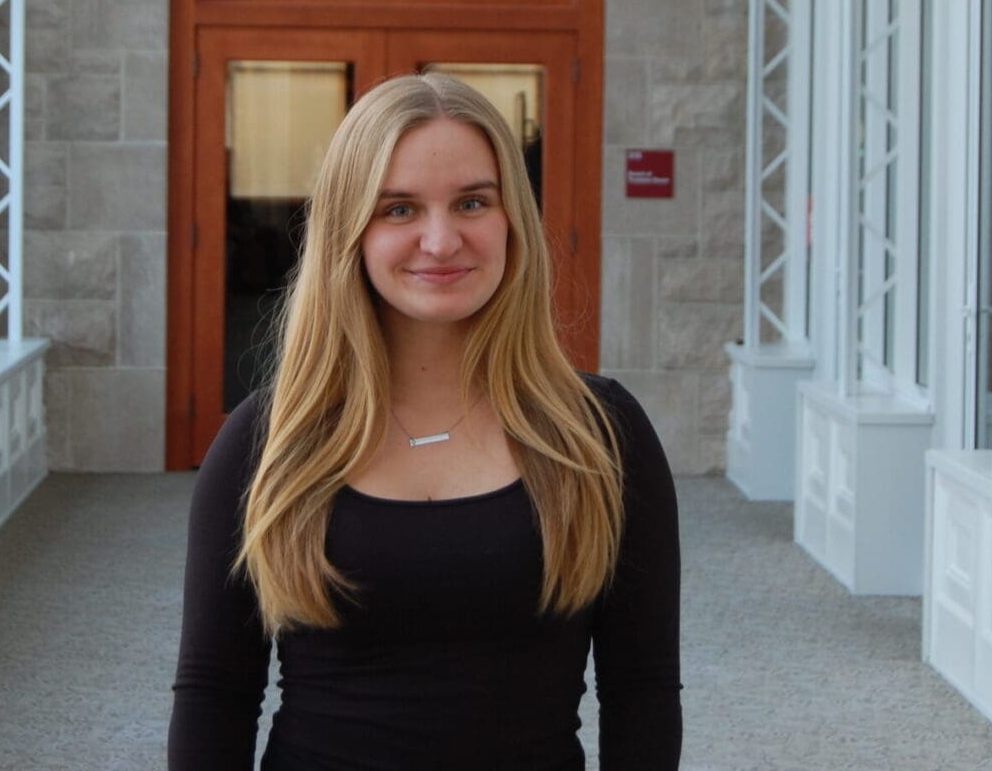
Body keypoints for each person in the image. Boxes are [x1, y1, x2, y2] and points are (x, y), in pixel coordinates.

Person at [168, 72, 682, 770]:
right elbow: (216, 695)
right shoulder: (269, 441)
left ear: (511, 220)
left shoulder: (600, 434)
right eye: (399, 209)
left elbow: (641, 692)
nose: (440, 242)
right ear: (350, 229)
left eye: (472, 202)